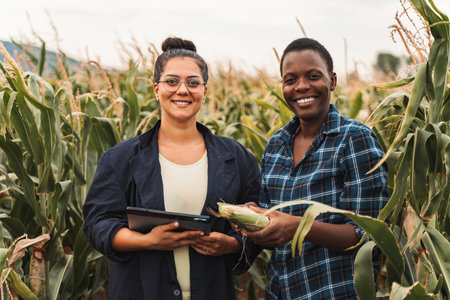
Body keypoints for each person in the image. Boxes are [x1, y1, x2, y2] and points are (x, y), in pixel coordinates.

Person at [82, 37, 261, 300]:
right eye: (171, 81)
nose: (182, 90)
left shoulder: (237, 158)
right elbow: (98, 224)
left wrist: (232, 244)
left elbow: (258, 220)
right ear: (156, 89)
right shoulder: (119, 159)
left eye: (193, 82)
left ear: (204, 91)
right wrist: (147, 241)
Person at [245, 38, 389, 299]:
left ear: (332, 81)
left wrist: (300, 227)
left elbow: (370, 236)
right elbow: (271, 217)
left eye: (313, 76)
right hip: (280, 292)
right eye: (290, 80)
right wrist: (250, 217)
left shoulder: (354, 139)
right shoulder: (277, 144)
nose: (301, 86)